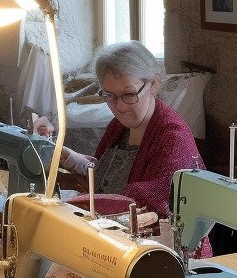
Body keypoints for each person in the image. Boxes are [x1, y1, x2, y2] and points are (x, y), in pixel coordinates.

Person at [59, 40, 207, 222]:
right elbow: (108, 179)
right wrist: (73, 160)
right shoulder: (119, 126)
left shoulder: (172, 139)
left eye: (128, 94)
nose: (119, 106)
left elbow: (144, 208)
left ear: (154, 84)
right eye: (109, 96)